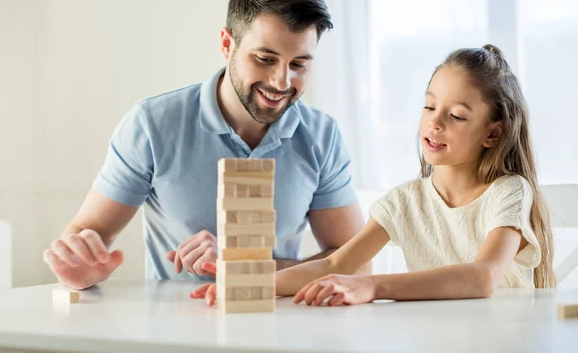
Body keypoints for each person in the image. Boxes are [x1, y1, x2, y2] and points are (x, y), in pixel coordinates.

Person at [42, 0, 369, 290]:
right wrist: (79, 269)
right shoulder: (153, 124)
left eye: (299, 64)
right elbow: (88, 233)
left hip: (280, 327)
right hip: (175, 335)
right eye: (265, 59)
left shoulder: (321, 135)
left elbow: (357, 263)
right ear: (227, 44)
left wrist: (244, 268)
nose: (281, 82)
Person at [191, 44, 556, 307]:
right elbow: (336, 264)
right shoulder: (403, 202)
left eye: (457, 115)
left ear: (492, 133)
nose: (434, 122)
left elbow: (483, 277)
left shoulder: (508, 192)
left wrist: (372, 286)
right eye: (429, 106)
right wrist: (256, 285)